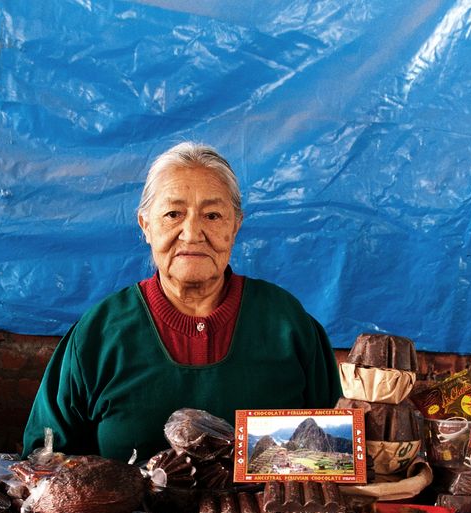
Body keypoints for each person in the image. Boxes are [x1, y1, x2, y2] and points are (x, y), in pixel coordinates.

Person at [21, 141, 342, 462]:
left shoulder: (289, 324)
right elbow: (44, 456)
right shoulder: (98, 334)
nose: (192, 233)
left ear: (235, 225)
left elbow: (335, 453)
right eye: (174, 214)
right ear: (145, 225)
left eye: (213, 215)